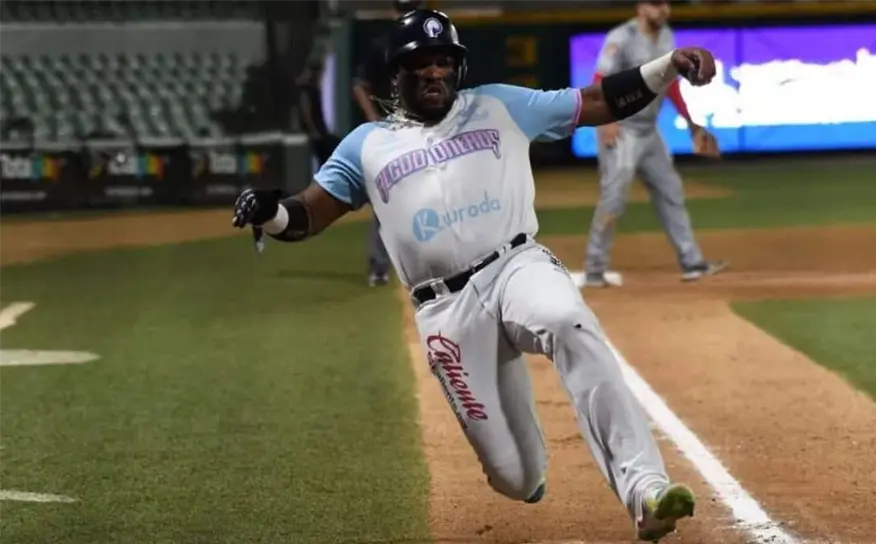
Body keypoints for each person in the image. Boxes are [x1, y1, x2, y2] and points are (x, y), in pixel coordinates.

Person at [232, 9, 718, 541]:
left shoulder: (498, 104)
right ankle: (526, 468)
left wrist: (667, 65)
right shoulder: (367, 145)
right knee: (516, 477)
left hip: (515, 266)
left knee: (567, 319)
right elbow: (308, 213)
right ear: (398, 72)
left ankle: (644, 489)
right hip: (445, 312)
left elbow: (598, 101)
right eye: (422, 63)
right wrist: (270, 213)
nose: (435, 72)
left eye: (445, 62)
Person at [583, 0, 727, 286]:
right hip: (621, 129)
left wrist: (690, 122)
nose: (663, 9)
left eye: (666, 4)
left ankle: (692, 262)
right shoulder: (621, 38)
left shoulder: (667, 37)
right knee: (613, 199)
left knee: (671, 190)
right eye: (656, 4)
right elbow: (599, 79)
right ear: (640, 8)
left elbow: (670, 84)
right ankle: (594, 270)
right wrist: (606, 121)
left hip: (649, 132)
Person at [352, 0, 422, 287]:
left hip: (423, 128)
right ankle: (379, 265)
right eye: (402, 10)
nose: (405, 15)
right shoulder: (383, 46)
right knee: (387, 196)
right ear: (393, 13)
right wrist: (374, 118)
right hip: (391, 130)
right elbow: (359, 84)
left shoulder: (426, 44)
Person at [296, 60, 339, 170]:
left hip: (319, 129)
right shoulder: (308, 89)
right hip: (316, 131)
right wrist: (313, 130)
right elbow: (307, 111)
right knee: (324, 156)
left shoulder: (312, 88)